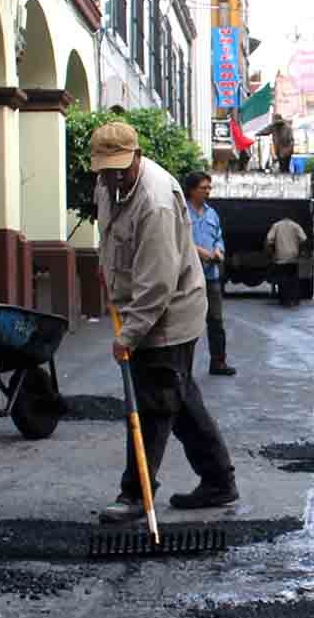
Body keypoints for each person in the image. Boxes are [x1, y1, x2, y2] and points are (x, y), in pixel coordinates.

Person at [93, 120, 237, 522]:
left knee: (154, 401)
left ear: (137, 157)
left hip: (169, 312)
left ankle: (136, 493)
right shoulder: (105, 186)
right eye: (105, 170)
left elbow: (157, 284)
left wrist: (128, 335)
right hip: (140, 305)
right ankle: (219, 481)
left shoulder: (155, 201)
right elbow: (110, 239)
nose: (112, 177)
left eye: (119, 169)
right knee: (180, 397)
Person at [183, 171, 235, 376]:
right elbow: (178, 240)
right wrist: (200, 252)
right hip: (189, 276)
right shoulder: (181, 212)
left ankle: (218, 362)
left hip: (211, 276)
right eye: (203, 188)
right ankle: (184, 368)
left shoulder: (212, 214)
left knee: (216, 321)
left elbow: (218, 238)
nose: (207, 191)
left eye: (209, 188)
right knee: (188, 324)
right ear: (191, 190)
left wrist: (218, 251)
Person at [265, 214, 307, 307]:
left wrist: (271, 253)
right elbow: (304, 239)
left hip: (280, 258)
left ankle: (284, 300)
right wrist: (300, 251)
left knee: (282, 279)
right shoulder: (296, 225)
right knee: (293, 279)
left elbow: (269, 240)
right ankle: (294, 299)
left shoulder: (276, 226)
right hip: (293, 258)